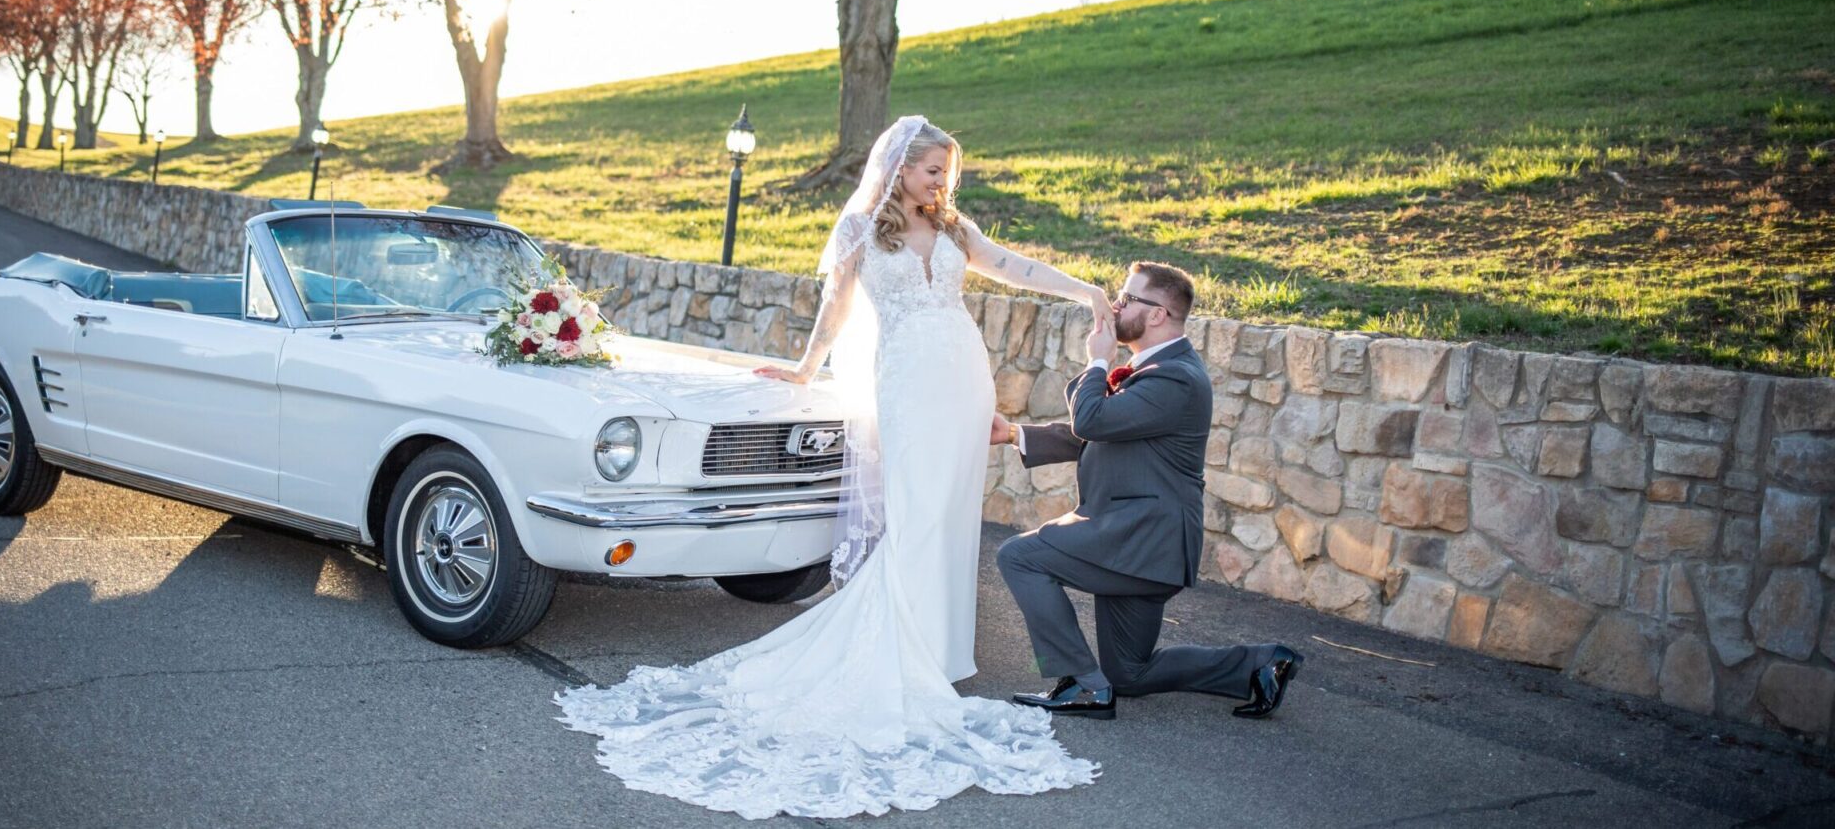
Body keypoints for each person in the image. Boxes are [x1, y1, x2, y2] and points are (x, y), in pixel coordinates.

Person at [553, 116, 1108, 819]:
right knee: (916, 514)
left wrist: (1087, 292)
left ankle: (939, 656)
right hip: (906, 379)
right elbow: (837, 309)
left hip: (964, 376)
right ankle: (902, 656)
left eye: (949, 173)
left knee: (951, 514)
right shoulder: (860, 233)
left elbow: (1017, 268)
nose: (944, 183)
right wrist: (806, 367)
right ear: (900, 168)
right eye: (934, 171)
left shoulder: (958, 229)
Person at [990, 261, 1303, 721]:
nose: (1115, 306)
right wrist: (1013, 433)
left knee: (1018, 556)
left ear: (1157, 314)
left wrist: (1098, 360)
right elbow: (1097, 432)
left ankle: (1080, 682)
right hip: (1140, 544)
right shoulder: (1161, 369)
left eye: (1127, 298)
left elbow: (1093, 419)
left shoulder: (1176, 377)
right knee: (1129, 673)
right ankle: (1258, 664)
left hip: (1139, 540)